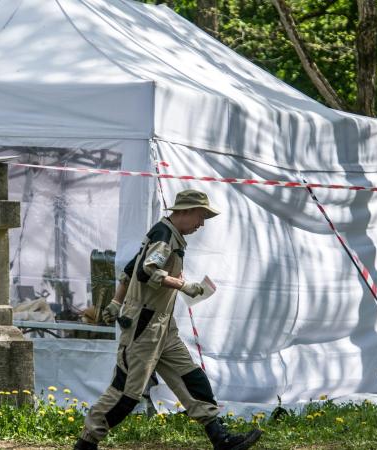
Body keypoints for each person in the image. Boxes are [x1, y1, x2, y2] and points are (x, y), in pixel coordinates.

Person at [76, 190, 263, 450]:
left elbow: (130, 269)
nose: (202, 224)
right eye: (201, 216)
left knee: (191, 376)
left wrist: (116, 302)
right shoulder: (163, 235)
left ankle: (221, 439)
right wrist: (184, 285)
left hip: (162, 325)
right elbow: (146, 271)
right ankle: (86, 442)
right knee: (127, 392)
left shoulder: (167, 235)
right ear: (185, 211)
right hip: (144, 325)